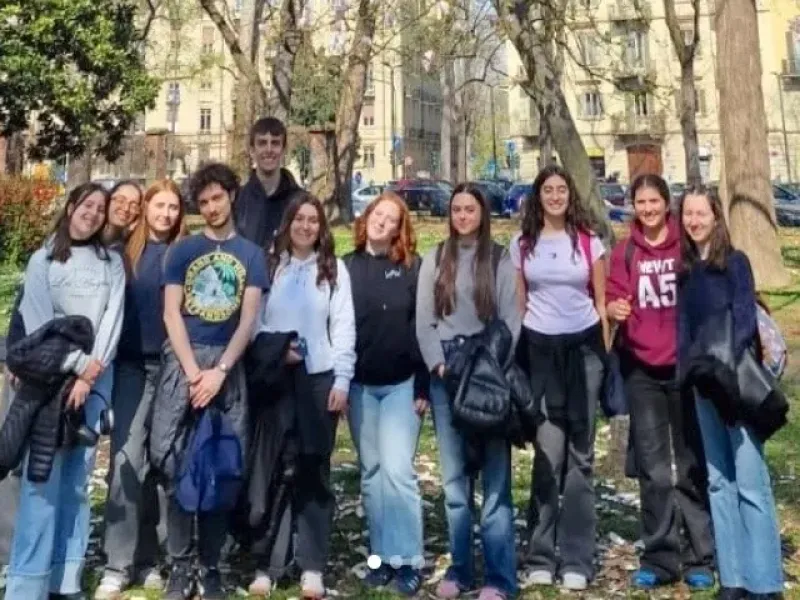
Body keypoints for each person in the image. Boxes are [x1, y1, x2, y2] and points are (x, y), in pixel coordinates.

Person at [150, 163, 268, 600]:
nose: (212, 207)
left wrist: (219, 373)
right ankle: (180, 566)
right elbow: (171, 314)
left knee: (221, 464)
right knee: (174, 461)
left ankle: (211, 566)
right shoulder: (183, 251)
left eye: (218, 198)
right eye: (203, 202)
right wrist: (191, 372)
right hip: (184, 363)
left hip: (227, 368)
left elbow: (249, 319)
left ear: (231, 196)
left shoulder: (251, 254)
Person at [5, 183, 126, 599]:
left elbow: (112, 319)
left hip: (94, 380)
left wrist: (90, 376)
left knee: (77, 482)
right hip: (51, 379)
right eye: (87, 205)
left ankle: (66, 577)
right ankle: (27, 584)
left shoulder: (112, 263)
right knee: (42, 480)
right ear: (72, 207)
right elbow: (39, 321)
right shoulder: (43, 260)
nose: (93, 214)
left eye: (101, 209)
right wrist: (74, 365)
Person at [606, 174, 714, 590]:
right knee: (653, 470)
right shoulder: (626, 251)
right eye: (641, 202)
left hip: (685, 370)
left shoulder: (685, 247)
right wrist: (614, 308)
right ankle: (660, 556)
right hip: (642, 372)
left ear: (667, 204)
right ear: (633, 206)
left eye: (655, 201)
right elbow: (613, 295)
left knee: (690, 466)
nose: (648, 209)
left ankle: (699, 556)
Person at [678, 186, 783, 600]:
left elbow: (743, 320)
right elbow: (682, 328)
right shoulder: (686, 270)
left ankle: (765, 581)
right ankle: (734, 577)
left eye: (701, 213)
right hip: (702, 384)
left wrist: (723, 368)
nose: (694, 221)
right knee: (719, 482)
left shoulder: (735, 262)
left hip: (735, 385)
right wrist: (690, 371)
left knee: (751, 483)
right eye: (688, 214)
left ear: (716, 216)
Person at [249, 191, 355, 600]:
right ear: (288, 223)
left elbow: (343, 327)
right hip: (275, 377)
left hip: (317, 379)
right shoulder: (269, 265)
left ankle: (312, 564)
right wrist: (278, 350)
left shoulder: (333, 270)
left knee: (313, 470)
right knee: (274, 468)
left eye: (313, 220)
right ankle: (268, 564)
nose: (306, 226)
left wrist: (342, 381)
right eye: (299, 219)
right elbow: (253, 321)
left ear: (321, 227)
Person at [416, 183, 521, 600]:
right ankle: (461, 570)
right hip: (447, 373)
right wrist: (438, 365)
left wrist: (492, 369)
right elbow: (424, 321)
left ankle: (499, 577)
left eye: (470, 209)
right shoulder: (435, 258)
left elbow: (511, 321)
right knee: (455, 481)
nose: (462, 216)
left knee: (496, 481)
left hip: (488, 374)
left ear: (482, 214)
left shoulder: (499, 259)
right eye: (456, 209)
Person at [514, 165, 607, 592]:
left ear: (571, 195)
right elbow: (519, 305)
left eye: (561, 189)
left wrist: (605, 355)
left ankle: (577, 558)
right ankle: (540, 554)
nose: (555, 196)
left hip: (584, 351)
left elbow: (601, 304)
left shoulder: (589, 242)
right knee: (548, 455)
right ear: (538, 196)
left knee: (580, 457)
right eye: (548, 190)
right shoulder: (523, 244)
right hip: (540, 353)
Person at [94, 180, 187, 599]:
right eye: (159, 206)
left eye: (173, 208)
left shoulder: (184, 254)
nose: (166, 214)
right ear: (146, 208)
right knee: (127, 461)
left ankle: (153, 559)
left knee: (163, 461)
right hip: (132, 368)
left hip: (171, 368)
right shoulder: (123, 254)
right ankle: (118, 561)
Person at [343, 192, 428, 596]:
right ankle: (381, 558)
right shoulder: (346, 267)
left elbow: (423, 328)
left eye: (391, 219)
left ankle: (408, 559)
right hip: (360, 386)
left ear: (399, 229)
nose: (382, 222)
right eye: (378, 214)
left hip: (402, 386)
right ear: (367, 217)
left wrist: (424, 384)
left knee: (397, 471)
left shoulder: (412, 268)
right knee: (372, 474)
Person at [235, 117, 301, 252]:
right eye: (262, 143)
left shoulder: (301, 201)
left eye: (275, 143)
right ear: (252, 150)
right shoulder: (237, 202)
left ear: (284, 150)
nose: (269, 149)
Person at [104, 180, 143, 247]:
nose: (126, 208)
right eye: (120, 201)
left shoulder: (134, 246)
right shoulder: (89, 233)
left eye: (133, 206)